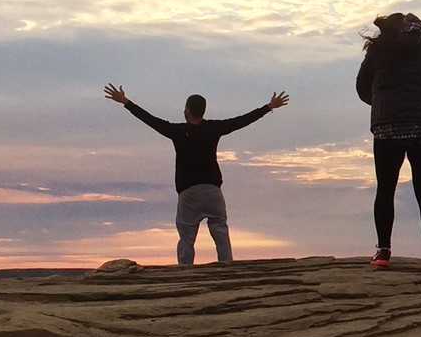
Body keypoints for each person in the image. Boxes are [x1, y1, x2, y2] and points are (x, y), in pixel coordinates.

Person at [103, 83, 288, 265]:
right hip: (212, 190)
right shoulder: (213, 128)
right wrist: (269, 107)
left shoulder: (178, 131)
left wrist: (126, 102)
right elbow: (241, 121)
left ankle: (185, 270)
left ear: (188, 110)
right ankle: (227, 267)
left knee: (186, 234)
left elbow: (151, 120)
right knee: (220, 230)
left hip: (189, 193)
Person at [356, 12, 421, 273]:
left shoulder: (378, 51)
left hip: (387, 127)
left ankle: (383, 251)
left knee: (385, 189)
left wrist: (382, 104)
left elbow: (362, 87)